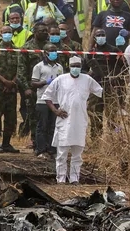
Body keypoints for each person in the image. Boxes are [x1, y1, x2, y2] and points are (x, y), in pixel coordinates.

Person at [41, 56, 103, 185]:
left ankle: (75, 178)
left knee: (77, 153)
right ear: (69, 66)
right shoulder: (60, 80)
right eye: (73, 66)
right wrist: (55, 111)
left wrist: (89, 104)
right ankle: (61, 179)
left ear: (81, 67)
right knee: (62, 152)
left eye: (78, 66)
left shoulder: (87, 80)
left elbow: (100, 92)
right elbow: (47, 96)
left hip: (80, 120)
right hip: (64, 120)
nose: (76, 68)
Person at [85, 28, 126, 138]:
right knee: (94, 113)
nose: (101, 37)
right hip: (95, 86)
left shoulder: (113, 50)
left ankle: (114, 138)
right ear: (95, 38)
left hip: (111, 86)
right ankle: (96, 139)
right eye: (98, 35)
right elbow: (84, 69)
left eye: (103, 35)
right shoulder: (91, 53)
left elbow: (122, 67)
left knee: (112, 114)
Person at [0, 25, 20, 153]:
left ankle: (6, 143)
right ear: (0, 34)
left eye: (9, 32)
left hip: (11, 88)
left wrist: (12, 82)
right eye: (5, 32)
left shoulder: (16, 50)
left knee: (10, 116)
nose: (7, 34)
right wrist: (4, 81)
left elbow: (20, 68)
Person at [18, 23, 49, 147]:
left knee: (48, 116)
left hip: (49, 88)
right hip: (33, 88)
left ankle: (47, 142)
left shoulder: (51, 47)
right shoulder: (27, 47)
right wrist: (26, 88)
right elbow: (21, 71)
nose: (45, 33)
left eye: (46, 31)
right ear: (35, 32)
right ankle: (35, 141)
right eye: (41, 31)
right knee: (33, 116)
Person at [31, 43, 64, 158]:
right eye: (51, 51)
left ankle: (51, 149)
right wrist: (45, 82)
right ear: (45, 53)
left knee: (53, 126)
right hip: (42, 100)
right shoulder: (39, 67)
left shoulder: (59, 67)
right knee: (42, 125)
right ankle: (40, 149)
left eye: (55, 50)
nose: (54, 53)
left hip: (55, 100)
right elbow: (33, 83)